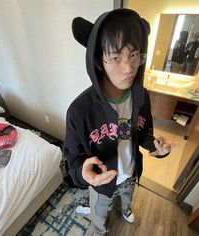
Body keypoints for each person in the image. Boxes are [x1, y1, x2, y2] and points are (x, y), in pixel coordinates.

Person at [63, 8, 175, 236]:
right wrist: (83, 174)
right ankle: (98, 229)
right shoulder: (79, 111)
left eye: (134, 55)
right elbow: (72, 159)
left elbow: (144, 135)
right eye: (115, 58)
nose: (128, 68)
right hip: (102, 184)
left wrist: (156, 147)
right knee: (99, 215)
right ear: (97, 61)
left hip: (131, 174)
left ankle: (125, 209)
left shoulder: (141, 96)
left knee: (127, 198)